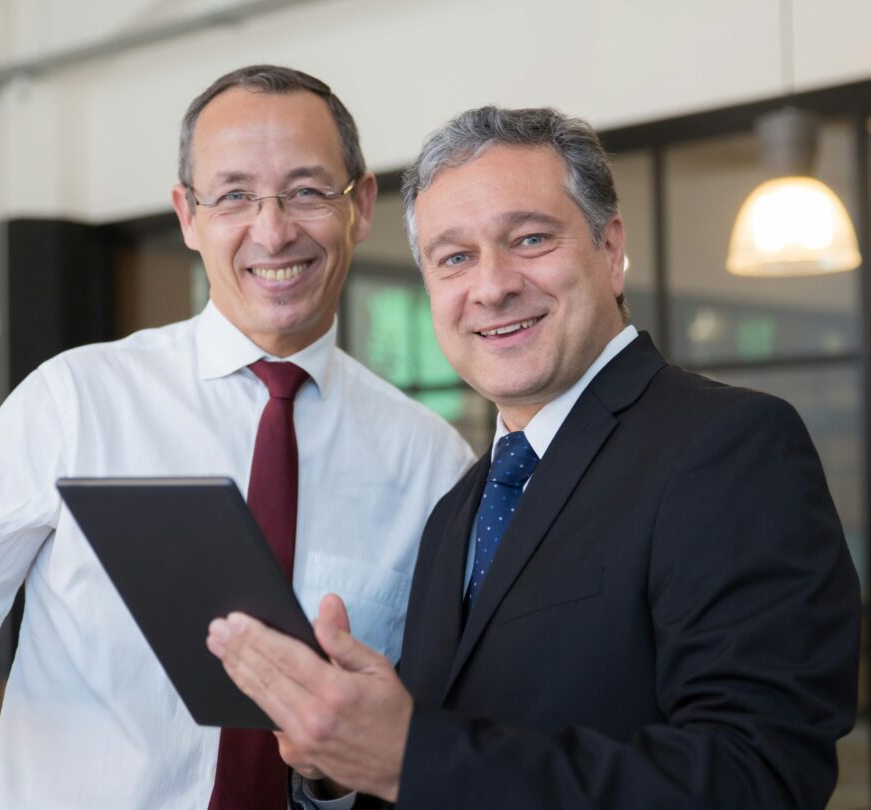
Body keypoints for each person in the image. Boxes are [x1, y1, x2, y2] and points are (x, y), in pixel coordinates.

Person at [0, 66, 474, 809]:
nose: (273, 231)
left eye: (306, 191)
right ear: (187, 215)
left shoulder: (433, 462)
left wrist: (338, 777)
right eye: (233, 195)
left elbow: (421, 733)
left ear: (360, 206)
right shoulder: (77, 399)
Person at [207, 105, 861, 809]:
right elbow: (437, 761)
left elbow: (755, 778)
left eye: (529, 239)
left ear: (610, 250)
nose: (492, 286)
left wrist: (407, 756)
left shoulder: (730, 446)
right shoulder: (459, 506)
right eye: (454, 258)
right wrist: (341, 766)